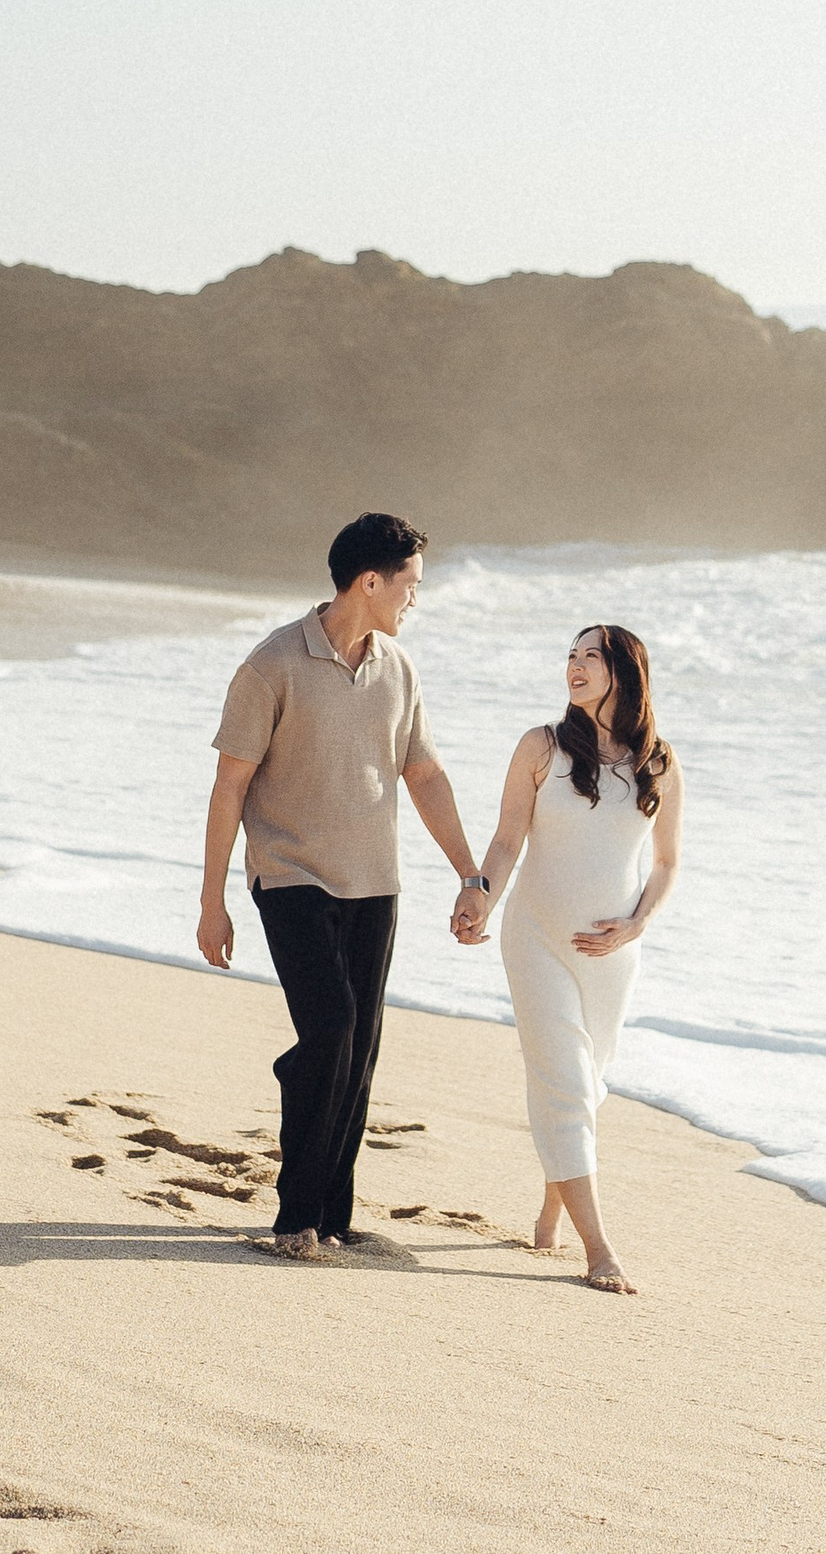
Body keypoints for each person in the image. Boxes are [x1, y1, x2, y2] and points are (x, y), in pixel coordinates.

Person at [196, 511, 484, 1257]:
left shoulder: (399, 667)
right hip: (289, 876)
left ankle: (332, 1217)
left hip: (373, 885)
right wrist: (212, 902)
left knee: (358, 1051)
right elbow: (229, 787)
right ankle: (295, 1220)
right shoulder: (272, 665)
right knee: (329, 1033)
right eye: (410, 585)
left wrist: (470, 873)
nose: (415, 600)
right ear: (370, 582)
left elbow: (424, 774)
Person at [451, 621, 683, 1294]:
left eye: (591, 657)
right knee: (566, 1085)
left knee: (590, 1082)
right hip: (538, 938)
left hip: (612, 954)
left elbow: (667, 863)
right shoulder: (542, 746)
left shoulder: (658, 760)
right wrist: (479, 895)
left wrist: (636, 925)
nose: (575, 666)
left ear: (624, 672)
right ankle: (599, 1249)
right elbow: (506, 838)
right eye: (571, 656)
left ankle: (555, 1202)